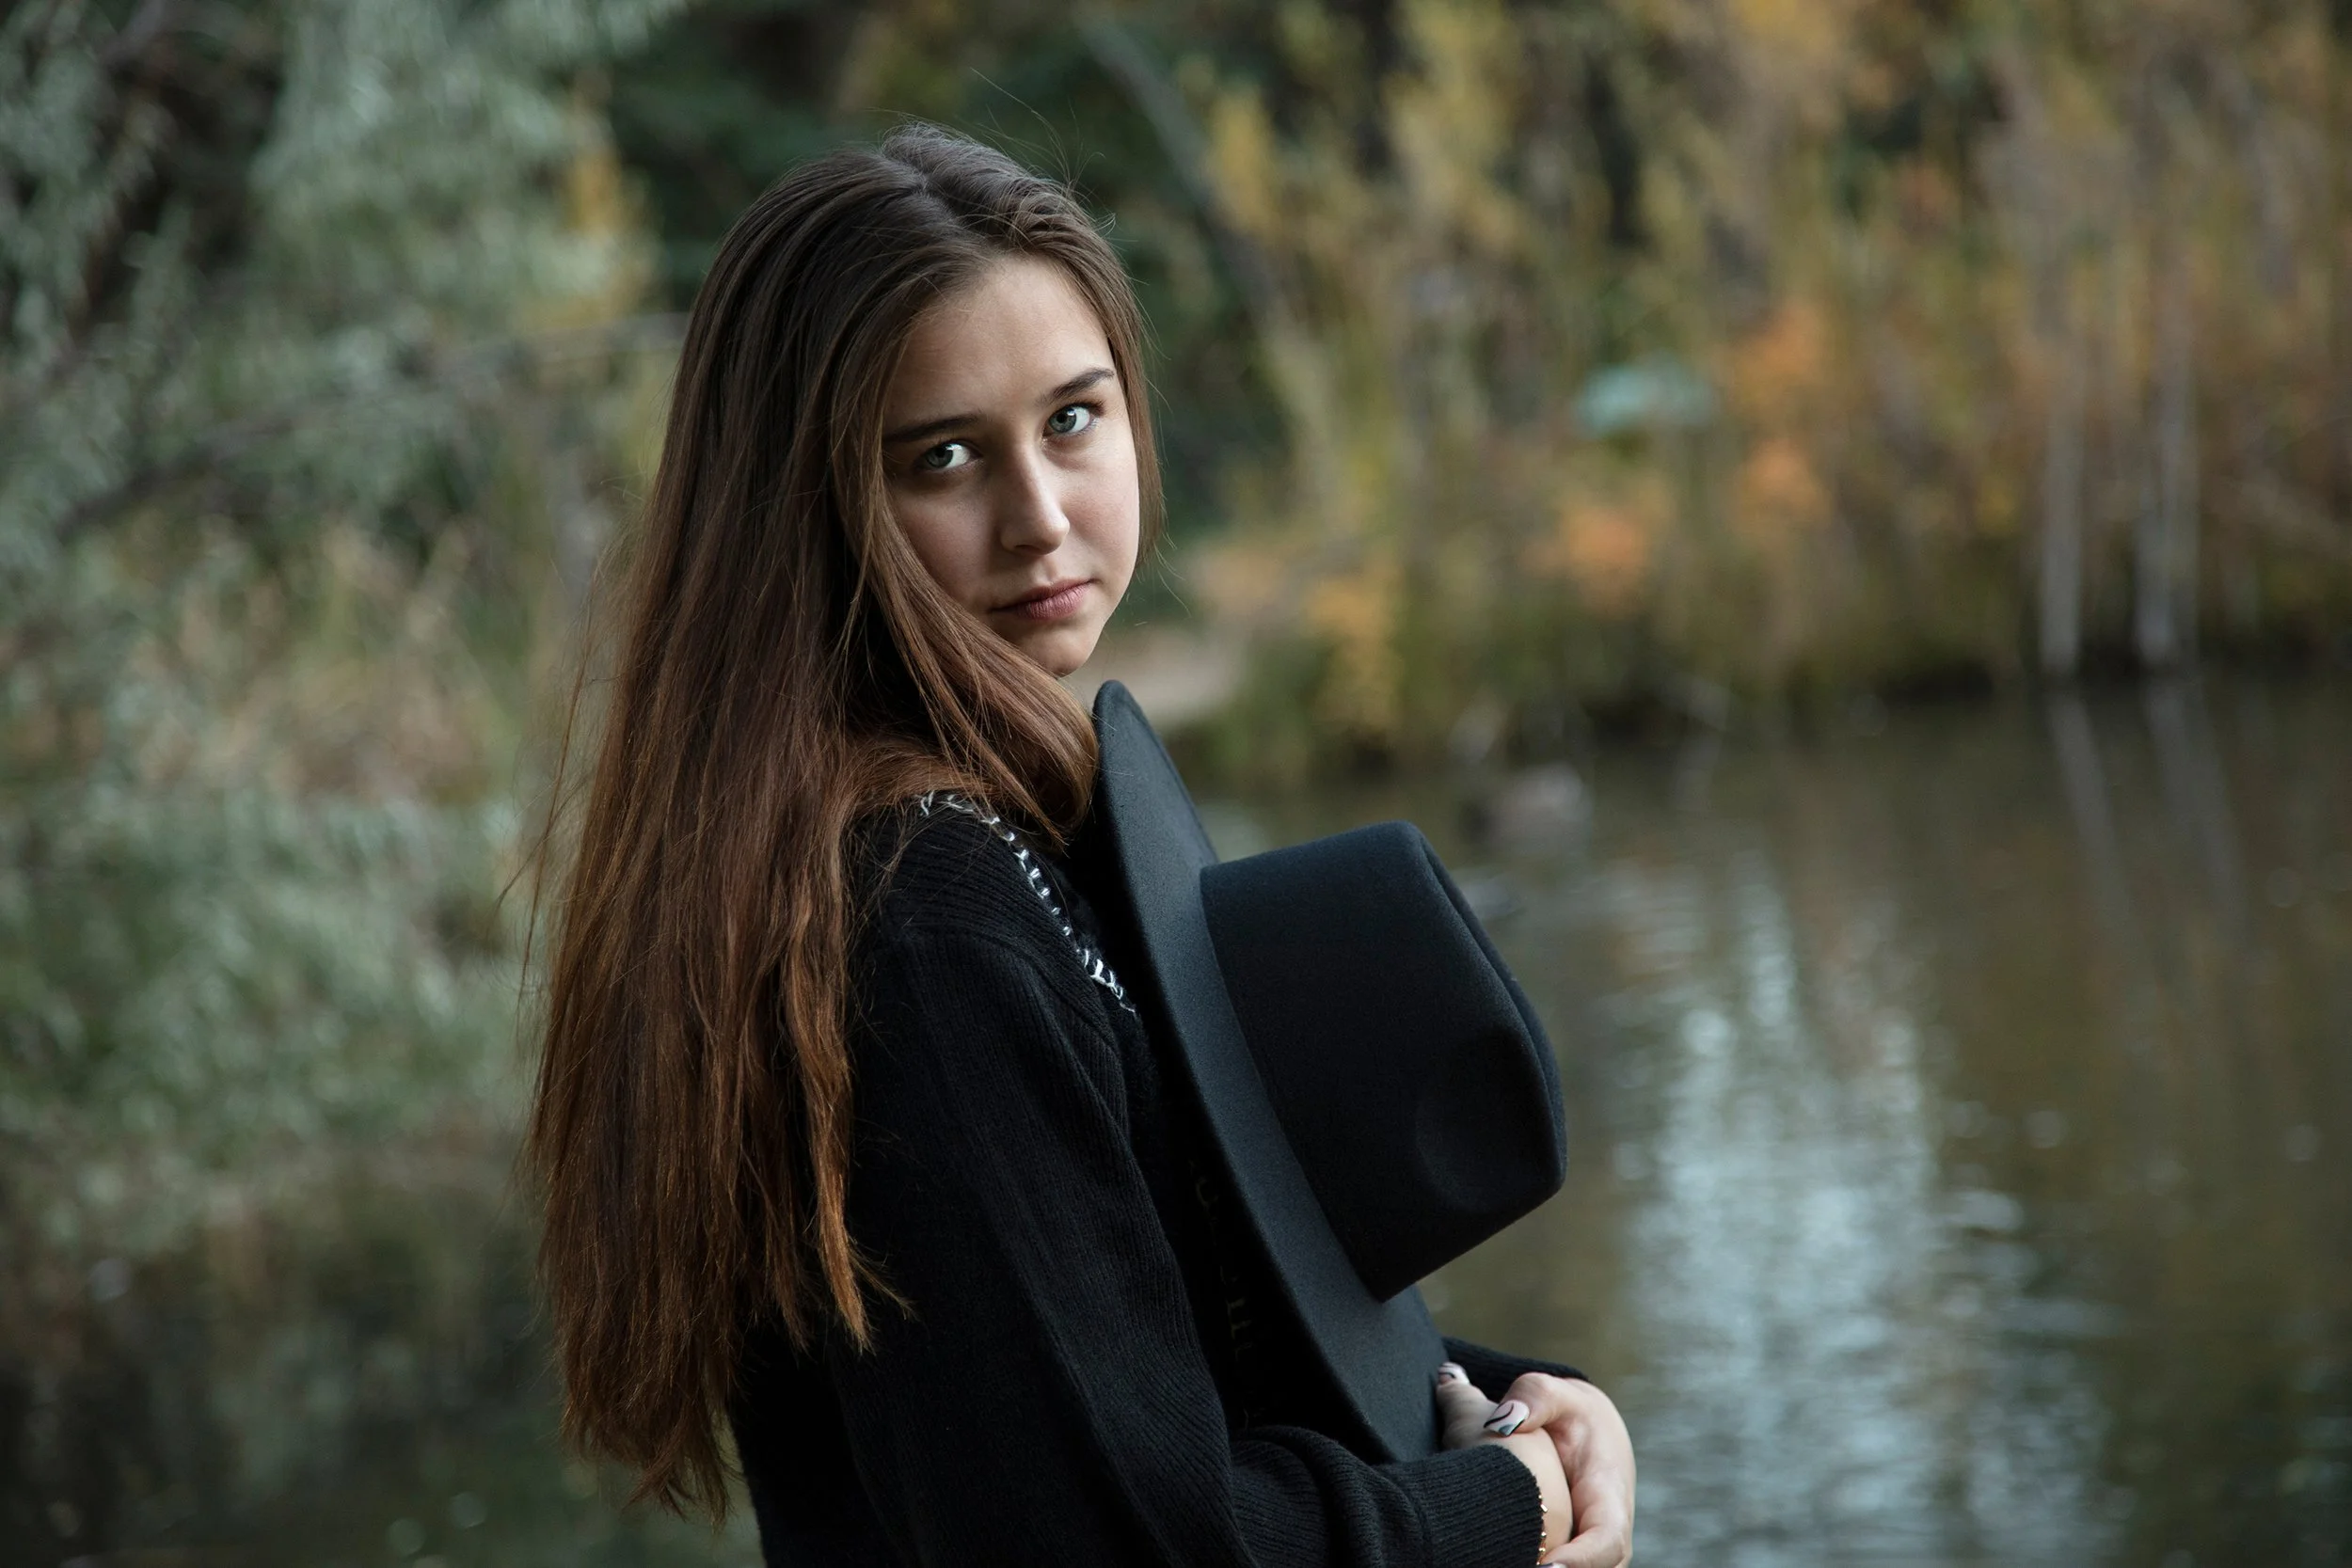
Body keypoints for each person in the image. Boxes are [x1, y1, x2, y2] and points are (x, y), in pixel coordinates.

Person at [526, 124, 1636, 1567]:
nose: (1039, 518)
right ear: (809, 510)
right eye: (943, 458)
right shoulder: (925, 921)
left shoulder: (979, 844)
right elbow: (1130, 1540)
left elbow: (1154, 1351)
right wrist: (1513, 1498)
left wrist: (1524, 1403)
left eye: (1072, 419)